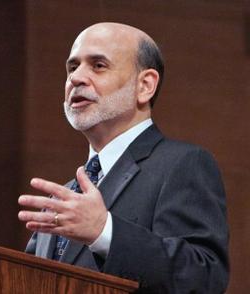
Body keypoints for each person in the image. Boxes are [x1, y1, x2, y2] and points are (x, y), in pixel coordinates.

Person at [18, 22, 229, 293]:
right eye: (72, 67)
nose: (76, 79)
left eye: (98, 65)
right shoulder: (65, 199)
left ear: (145, 85)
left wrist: (105, 232)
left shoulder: (183, 164)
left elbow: (205, 278)